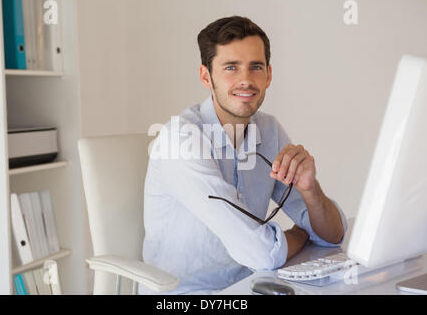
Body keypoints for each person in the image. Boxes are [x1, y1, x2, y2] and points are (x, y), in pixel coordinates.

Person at [138, 16, 347, 295]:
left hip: (248, 286)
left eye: (255, 67)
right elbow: (261, 254)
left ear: (269, 75)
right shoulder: (181, 140)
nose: (246, 80)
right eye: (231, 68)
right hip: (185, 295)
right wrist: (300, 233)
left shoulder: (268, 130)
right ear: (205, 76)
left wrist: (310, 191)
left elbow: (332, 236)